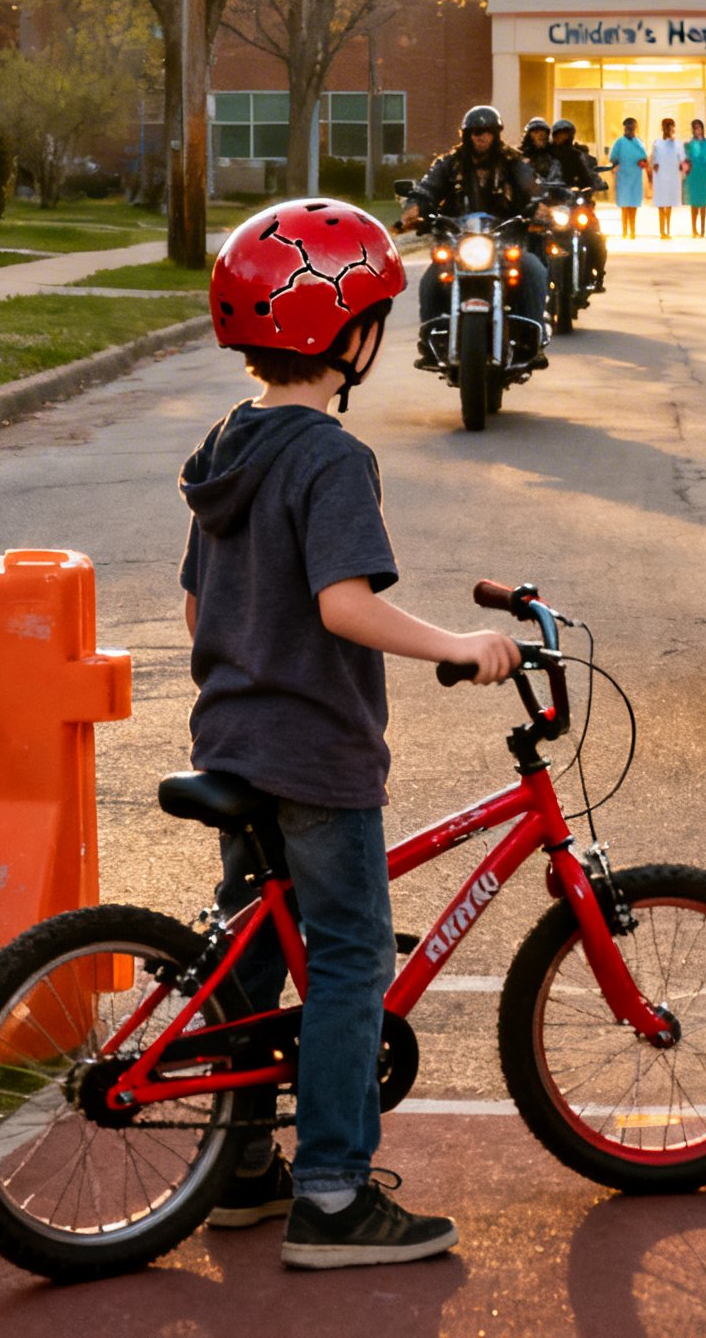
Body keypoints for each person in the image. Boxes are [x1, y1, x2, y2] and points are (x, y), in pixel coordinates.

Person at [185, 198, 522, 1266]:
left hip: (230, 742)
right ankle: (331, 1195)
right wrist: (460, 645)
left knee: (252, 956)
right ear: (350, 335)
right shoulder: (330, 457)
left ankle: (239, 1167)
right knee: (347, 959)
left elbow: (198, 608)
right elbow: (345, 604)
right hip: (316, 754)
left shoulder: (226, 444)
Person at [397, 106, 548, 362]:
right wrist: (414, 209)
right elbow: (428, 189)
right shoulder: (450, 163)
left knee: (534, 269)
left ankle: (534, 340)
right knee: (430, 280)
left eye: (487, 131)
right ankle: (430, 341)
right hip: (459, 243)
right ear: (467, 134)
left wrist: (540, 208)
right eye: (476, 131)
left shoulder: (513, 163)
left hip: (504, 240)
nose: (482, 137)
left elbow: (532, 188)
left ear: (496, 134)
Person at [548, 117, 607, 291]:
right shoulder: (549, 156)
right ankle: (551, 275)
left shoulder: (579, 155)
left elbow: (589, 175)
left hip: (578, 205)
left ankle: (598, 273)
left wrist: (597, 183)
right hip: (558, 207)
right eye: (559, 135)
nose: (562, 139)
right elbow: (540, 178)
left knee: (595, 236)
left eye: (566, 135)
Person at [608, 117, 650, 239]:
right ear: (625, 128)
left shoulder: (638, 142)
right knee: (625, 205)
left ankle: (632, 230)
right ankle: (625, 230)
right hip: (623, 176)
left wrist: (643, 162)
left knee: (633, 204)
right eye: (628, 127)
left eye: (632, 127)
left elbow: (644, 157)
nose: (630, 129)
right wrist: (614, 165)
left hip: (635, 177)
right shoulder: (619, 142)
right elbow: (613, 157)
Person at [681, 117, 706, 238]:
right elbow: (685, 158)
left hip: (703, 174)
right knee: (694, 202)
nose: (697, 130)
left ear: (702, 129)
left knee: (703, 202)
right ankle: (694, 229)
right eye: (695, 128)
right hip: (693, 174)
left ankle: (702, 229)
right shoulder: (689, 145)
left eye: (699, 128)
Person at [649, 117, 683, 239]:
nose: (670, 129)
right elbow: (652, 159)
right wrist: (654, 165)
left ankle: (667, 230)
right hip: (660, 178)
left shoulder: (677, 144)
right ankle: (662, 230)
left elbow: (682, 159)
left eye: (672, 126)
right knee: (661, 205)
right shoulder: (657, 143)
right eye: (668, 126)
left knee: (669, 205)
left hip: (672, 177)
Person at [520, 116, 558, 184]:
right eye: (536, 132)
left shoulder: (555, 154)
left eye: (543, 132)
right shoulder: (519, 155)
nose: (541, 135)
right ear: (528, 136)